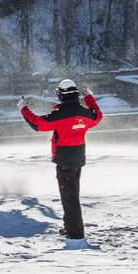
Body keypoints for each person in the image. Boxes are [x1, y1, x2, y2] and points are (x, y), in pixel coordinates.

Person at [18, 79, 103, 240]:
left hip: (65, 161)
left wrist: (24, 108)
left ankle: (75, 234)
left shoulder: (60, 115)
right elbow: (98, 116)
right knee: (72, 196)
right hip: (78, 159)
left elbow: (37, 123)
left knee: (69, 199)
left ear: (61, 96)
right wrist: (89, 98)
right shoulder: (85, 112)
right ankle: (69, 227)